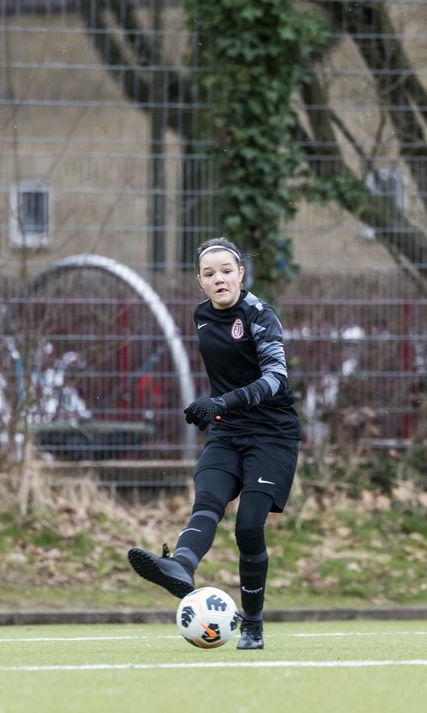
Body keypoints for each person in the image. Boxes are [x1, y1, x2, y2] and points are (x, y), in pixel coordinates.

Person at [128, 237, 301, 650]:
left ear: (241, 274)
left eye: (226, 270)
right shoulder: (202, 315)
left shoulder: (260, 316)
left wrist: (220, 402)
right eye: (209, 274)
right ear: (200, 282)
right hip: (227, 431)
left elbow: (277, 379)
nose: (219, 278)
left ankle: (254, 624)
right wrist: (211, 410)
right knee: (207, 502)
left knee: (247, 526)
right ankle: (181, 567)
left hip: (271, 435)